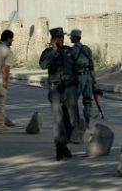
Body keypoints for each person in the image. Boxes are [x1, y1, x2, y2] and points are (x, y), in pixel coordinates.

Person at [39, 27, 81, 161]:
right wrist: (54, 51)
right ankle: (59, 148)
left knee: (72, 121)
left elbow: (77, 68)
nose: (61, 40)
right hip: (55, 89)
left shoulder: (69, 51)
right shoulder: (47, 52)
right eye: (58, 38)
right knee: (58, 121)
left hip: (70, 89)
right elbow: (44, 65)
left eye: (62, 38)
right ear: (52, 40)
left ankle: (64, 145)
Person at [69, 29, 96, 126]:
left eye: (71, 37)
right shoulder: (87, 49)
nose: (70, 38)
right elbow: (91, 64)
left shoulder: (72, 50)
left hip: (79, 77)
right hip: (88, 76)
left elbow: (69, 66)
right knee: (88, 100)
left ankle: (74, 122)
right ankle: (87, 121)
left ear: (75, 38)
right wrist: (93, 78)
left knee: (73, 100)